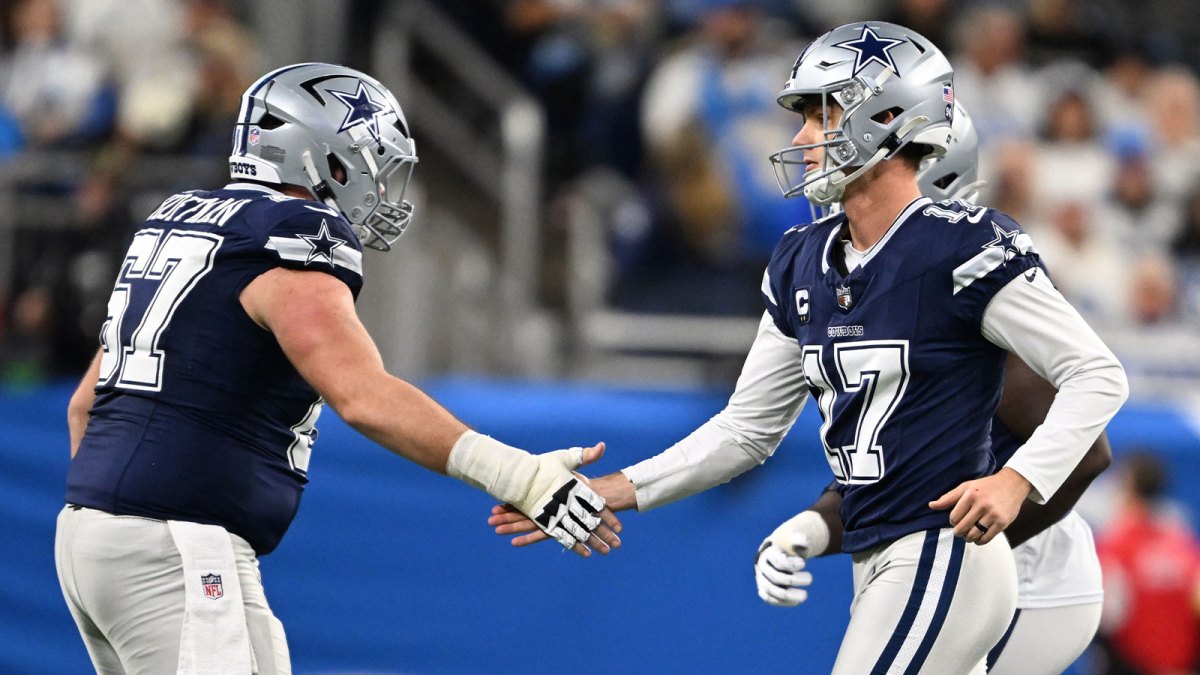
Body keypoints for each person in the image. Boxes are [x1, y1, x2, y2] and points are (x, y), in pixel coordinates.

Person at [491, 22, 1127, 673]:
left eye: (821, 116)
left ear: (887, 118)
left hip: (945, 552)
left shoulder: (963, 245)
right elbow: (744, 431)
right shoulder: (803, 260)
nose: (799, 138)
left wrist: (1017, 479)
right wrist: (608, 490)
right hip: (880, 555)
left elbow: (1097, 375)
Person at [54, 62, 620, 675]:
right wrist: (522, 478)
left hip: (93, 534)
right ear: (324, 156)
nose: (382, 189)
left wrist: (118, 512)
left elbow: (85, 405)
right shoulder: (295, 233)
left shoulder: (182, 217)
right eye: (373, 164)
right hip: (174, 543)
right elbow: (364, 397)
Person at [754, 105, 1111, 675]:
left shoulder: (970, 281)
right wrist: (810, 527)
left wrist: (955, 544)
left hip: (1038, 580)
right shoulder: (870, 277)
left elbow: (1090, 451)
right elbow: (883, 466)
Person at [1095, 452, 1200, 675]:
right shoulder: (1182, 542)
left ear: (1128, 487)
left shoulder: (1117, 545)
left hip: (1133, 666)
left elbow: (1108, 617)